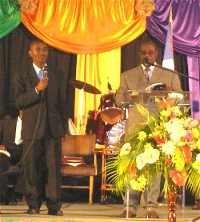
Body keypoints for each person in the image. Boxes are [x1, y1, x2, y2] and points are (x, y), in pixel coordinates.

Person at [115, 39, 183, 218]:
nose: (147, 55)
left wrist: (170, 93)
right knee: (133, 168)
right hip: (135, 127)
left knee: (154, 169)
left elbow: (180, 98)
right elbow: (118, 100)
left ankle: (151, 206)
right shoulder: (127, 75)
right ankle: (129, 207)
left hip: (158, 126)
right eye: (144, 52)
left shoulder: (169, 74)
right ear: (139, 54)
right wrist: (128, 96)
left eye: (150, 52)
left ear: (156, 54)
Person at [14, 38, 68, 216]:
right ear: (30, 53)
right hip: (32, 128)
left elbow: (62, 103)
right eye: (38, 50)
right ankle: (33, 205)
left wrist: (63, 128)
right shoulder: (22, 75)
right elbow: (19, 101)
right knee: (32, 169)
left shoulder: (56, 74)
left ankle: (54, 206)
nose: (42, 53)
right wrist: (36, 89)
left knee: (53, 170)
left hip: (52, 128)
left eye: (45, 50)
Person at [0, 110, 24, 205]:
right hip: (6, 150)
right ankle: (2, 194)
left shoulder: (33, 126)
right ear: (21, 112)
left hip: (23, 152)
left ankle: (14, 193)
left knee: (30, 164)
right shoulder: (5, 123)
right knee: (1, 161)